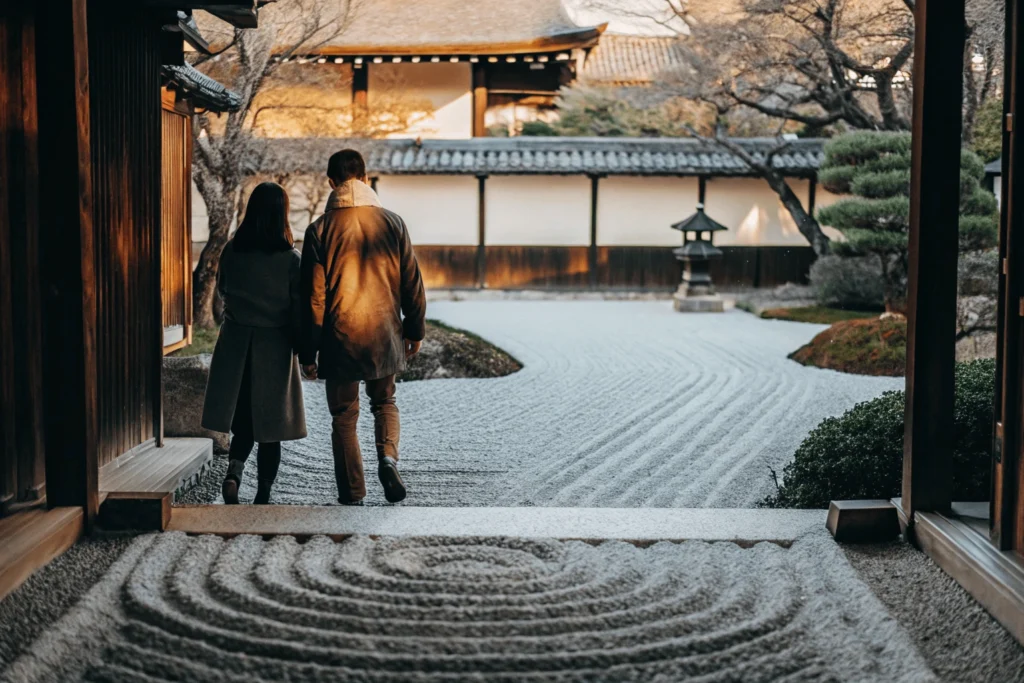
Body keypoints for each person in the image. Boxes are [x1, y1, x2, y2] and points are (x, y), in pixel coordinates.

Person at [299, 149, 426, 505]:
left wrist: (308, 352)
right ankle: (387, 460)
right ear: (365, 179)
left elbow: (313, 298)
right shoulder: (393, 222)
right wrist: (414, 328)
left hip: (340, 336)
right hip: (384, 331)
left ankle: (352, 491)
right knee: (384, 401)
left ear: (331, 182)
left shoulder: (319, 230)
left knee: (343, 415)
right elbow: (412, 282)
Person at [201, 182, 307, 505]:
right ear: (282, 215)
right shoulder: (291, 260)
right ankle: (263, 491)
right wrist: (306, 350)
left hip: (236, 346)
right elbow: (299, 308)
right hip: (274, 347)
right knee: (270, 428)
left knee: (244, 419)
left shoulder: (232, 251)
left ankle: (233, 473)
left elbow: (222, 292)